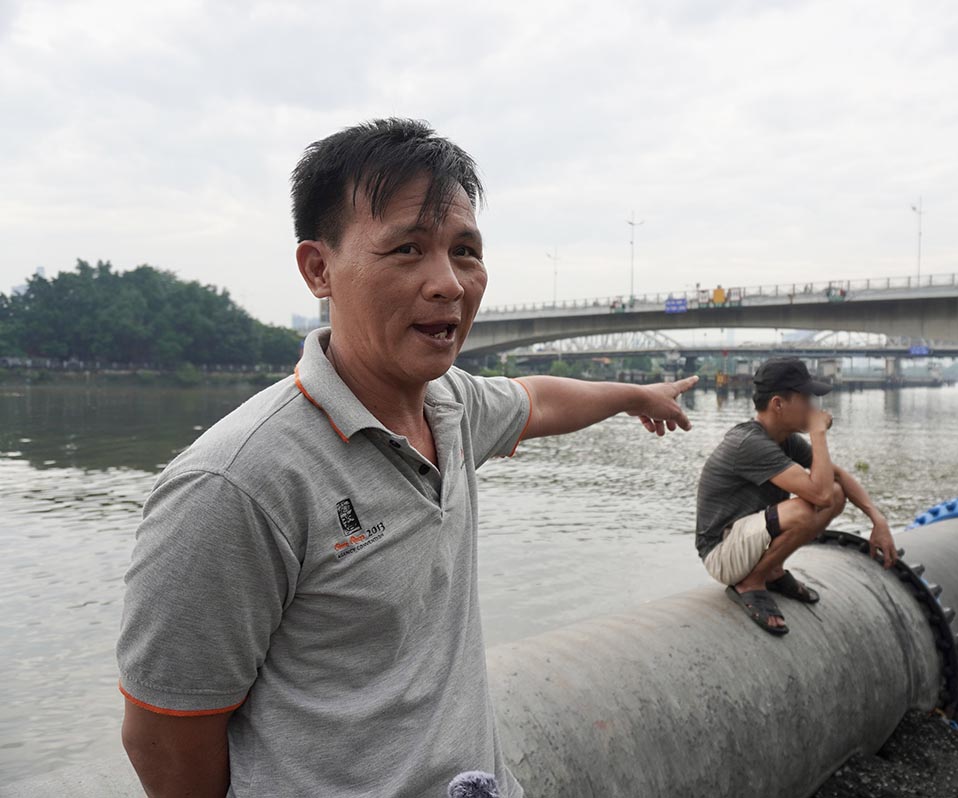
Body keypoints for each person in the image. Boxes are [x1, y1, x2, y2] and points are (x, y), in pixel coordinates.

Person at [117, 118, 698, 798]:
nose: (448, 283)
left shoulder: (451, 406)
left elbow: (538, 400)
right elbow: (165, 732)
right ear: (318, 268)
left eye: (465, 251)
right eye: (407, 250)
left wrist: (635, 394)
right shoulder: (235, 483)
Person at [694, 357, 897, 635]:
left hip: (747, 542)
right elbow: (820, 495)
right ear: (778, 404)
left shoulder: (784, 439)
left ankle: (773, 571)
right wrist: (818, 435)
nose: (813, 408)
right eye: (806, 399)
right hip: (721, 553)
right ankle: (751, 583)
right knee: (807, 508)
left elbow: (836, 480)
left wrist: (878, 520)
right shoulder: (750, 443)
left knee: (837, 494)